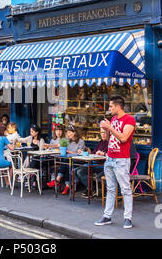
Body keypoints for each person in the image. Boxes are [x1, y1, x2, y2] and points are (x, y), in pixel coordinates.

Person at [95, 96, 136, 229]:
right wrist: (106, 129)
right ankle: (107, 216)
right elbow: (109, 138)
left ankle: (127, 218)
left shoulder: (129, 119)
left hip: (121, 160)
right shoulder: (113, 119)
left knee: (125, 189)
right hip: (110, 158)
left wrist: (110, 128)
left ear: (118, 107)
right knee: (110, 189)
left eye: (111, 106)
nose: (109, 109)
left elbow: (124, 138)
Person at [47, 125, 86, 195]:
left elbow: (79, 154)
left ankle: (58, 180)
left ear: (74, 133)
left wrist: (69, 151)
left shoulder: (81, 141)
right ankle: (67, 186)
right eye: (67, 133)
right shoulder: (68, 141)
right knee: (67, 163)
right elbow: (60, 146)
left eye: (69, 132)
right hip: (69, 160)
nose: (68, 134)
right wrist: (48, 146)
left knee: (66, 160)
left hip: (77, 160)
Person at [75, 125, 109, 191]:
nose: (103, 134)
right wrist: (84, 152)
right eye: (101, 132)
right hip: (95, 163)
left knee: (80, 171)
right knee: (75, 171)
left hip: (103, 165)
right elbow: (93, 153)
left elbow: (111, 155)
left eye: (104, 132)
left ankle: (91, 189)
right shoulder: (101, 142)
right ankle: (91, 188)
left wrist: (103, 154)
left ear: (109, 133)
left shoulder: (111, 143)